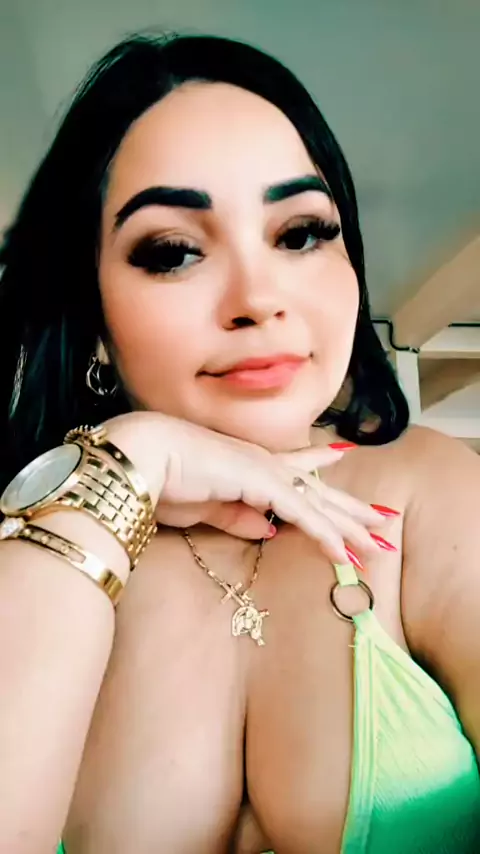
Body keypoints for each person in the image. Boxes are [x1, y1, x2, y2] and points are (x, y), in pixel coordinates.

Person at [0, 30, 479, 854]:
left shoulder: (435, 488)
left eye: (301, 233)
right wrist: (127, 463)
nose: (258, 297)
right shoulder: (36, 564)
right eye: (173, 252)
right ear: (94, 318)